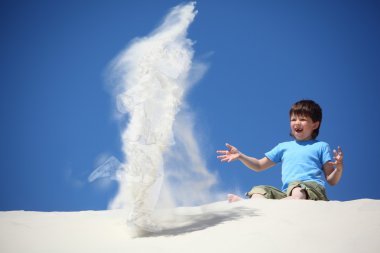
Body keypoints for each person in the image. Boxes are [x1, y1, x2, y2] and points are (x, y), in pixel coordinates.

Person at [216, 100, 343, 202]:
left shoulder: (321, 146)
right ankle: (251, 205)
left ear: (315, 125)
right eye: (293, 119)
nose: (297, 123)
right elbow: (259, 165)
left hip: (312, 191)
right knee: (259, 190)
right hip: (287, 192)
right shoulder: (283, 147)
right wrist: (240, 156)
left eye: (302, 119)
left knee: (297, 188)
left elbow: (331, 180)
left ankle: (286, 202)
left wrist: (338, 169)